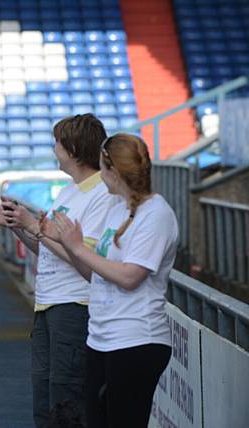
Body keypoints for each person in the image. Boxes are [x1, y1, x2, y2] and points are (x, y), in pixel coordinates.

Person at [0, 114, 114, 427]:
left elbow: (85, 256)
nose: (53, 149)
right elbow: (48, 251)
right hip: (49, 304)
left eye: (56, 143)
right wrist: (18, 227)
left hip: (75, 305)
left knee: (67, 397)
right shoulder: (70, 191)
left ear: (72, 147)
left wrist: (35, 227)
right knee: (45, 398)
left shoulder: (101, 194)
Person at [51, 133, 177, 428]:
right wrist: (71, 247)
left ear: (113, 171)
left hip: (136, 339)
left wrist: (79, 248)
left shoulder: (156, 214)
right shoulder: (117, 208)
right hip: (102, 338)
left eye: (101, 168)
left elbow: (130, 277)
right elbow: (97, 275)